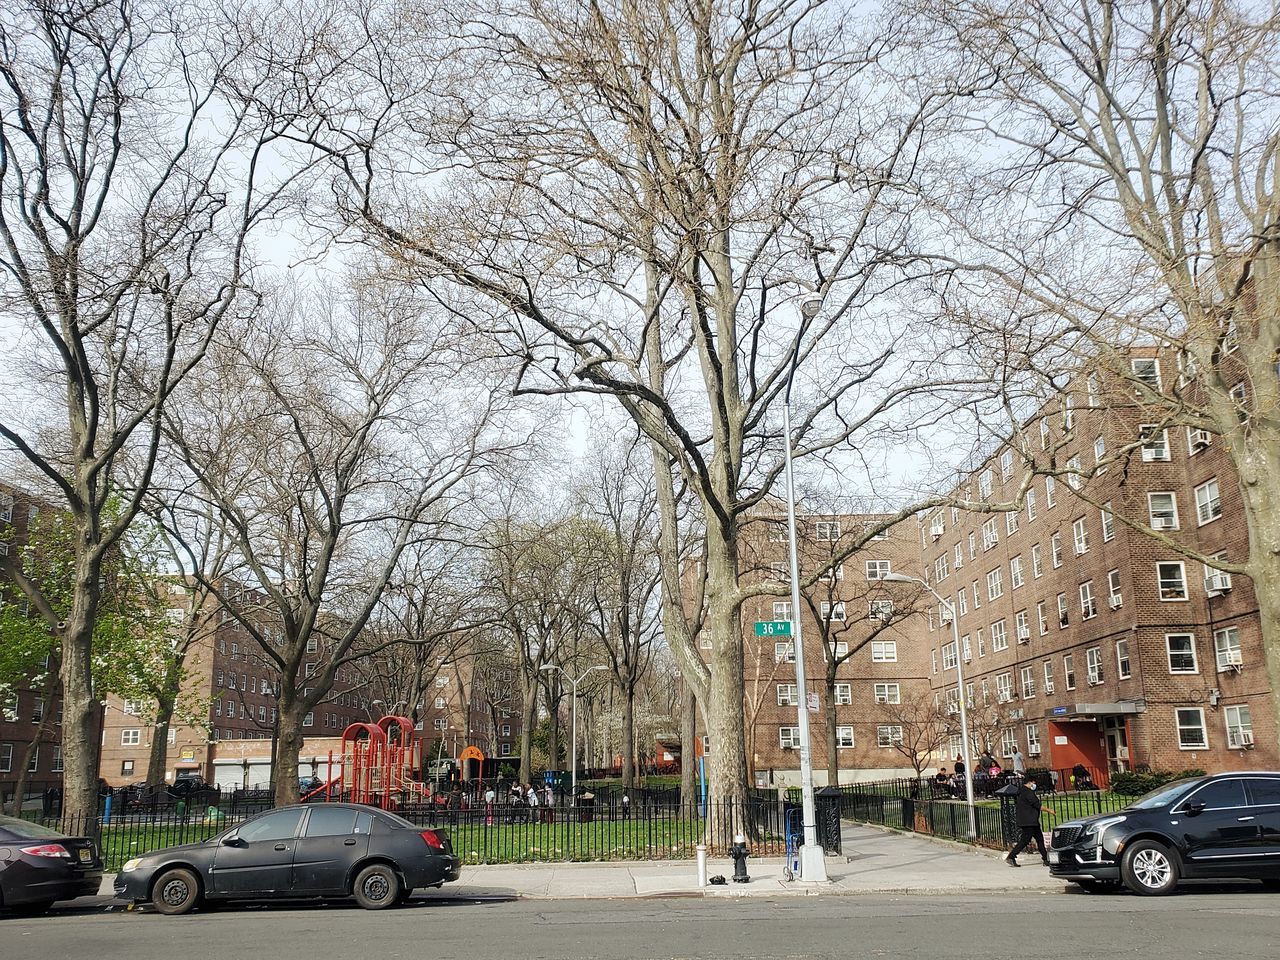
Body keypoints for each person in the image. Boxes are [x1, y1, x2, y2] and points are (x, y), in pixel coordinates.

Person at [1005, 773, 1055, 867]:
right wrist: (1049, 810)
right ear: (1030, 782)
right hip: (1030, 821)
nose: (1034, 785)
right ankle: (1011, 856)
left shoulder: (1020, 792)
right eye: (1033, 783)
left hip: (1026, 820)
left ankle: (1045, 859)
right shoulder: (1029, 793)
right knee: (1025, 840)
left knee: (1040, 839)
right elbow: (1037, 805)